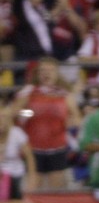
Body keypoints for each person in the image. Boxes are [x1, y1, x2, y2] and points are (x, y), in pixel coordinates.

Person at [11, 56, 81, 190]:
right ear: (37, 74)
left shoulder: (65, 94)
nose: (47, 73)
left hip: (57, 148)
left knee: (56, 192)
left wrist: (71, 123)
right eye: (43, 70)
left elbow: (76, 118)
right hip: (34, 149)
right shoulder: (28, 92)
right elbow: (14, 113)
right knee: (33, 191)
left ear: (56, 73)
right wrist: (29, 113)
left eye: (50, 70)